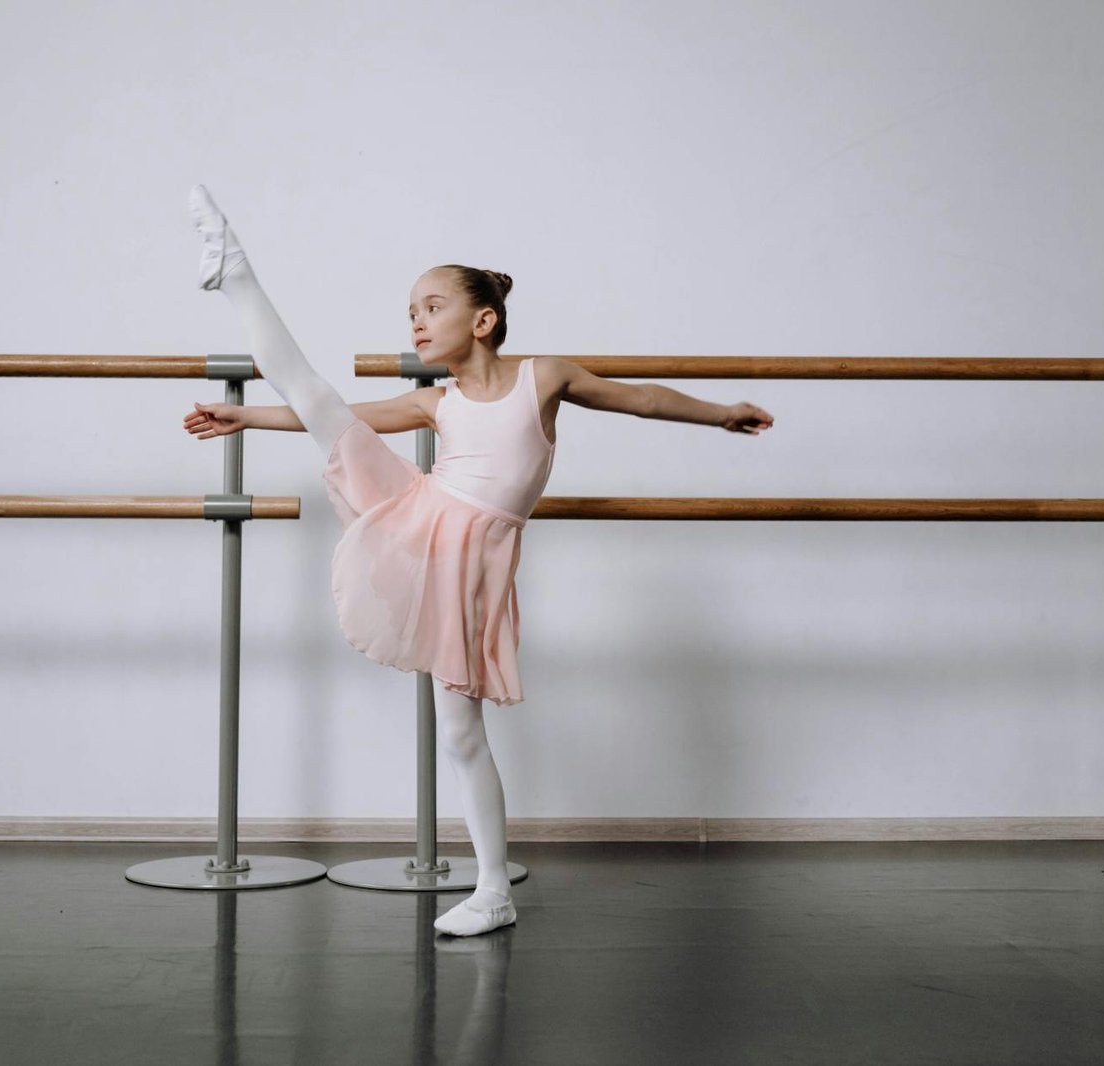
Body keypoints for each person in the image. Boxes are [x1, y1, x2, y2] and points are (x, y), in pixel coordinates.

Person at [181, 185, 774, 936]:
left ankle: (493, 889)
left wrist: (719, 413)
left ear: (483, 319)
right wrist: (246, 415)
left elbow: (642, 400)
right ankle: (235, 270)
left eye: (431, 307)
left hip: (474, 557)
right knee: (316, 393)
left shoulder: (544, 377)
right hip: (422, 521)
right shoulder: (437, 401)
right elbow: (335, 418)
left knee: (460, 733)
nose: (417, 321)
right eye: (411, 313)